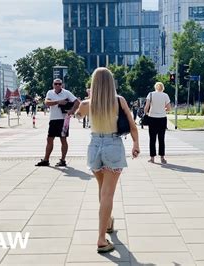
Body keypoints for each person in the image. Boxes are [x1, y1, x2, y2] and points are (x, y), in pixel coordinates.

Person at [76, 67, 140, 253]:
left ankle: (108, 221)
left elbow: (78, 116)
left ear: (94, 83)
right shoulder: (119, 101)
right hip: (113, 145)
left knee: (102, 190)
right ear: (111, 83)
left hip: (94, 145)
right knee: (108, 194)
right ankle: (101, 239)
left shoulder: (87, 103)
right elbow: (131, 124)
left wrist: (82, 106)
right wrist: (135, 144)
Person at [35, 79, 80, 167]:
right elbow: (47, 103)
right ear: (53, 85)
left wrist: (72, 110)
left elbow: (77, 102)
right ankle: (46, 159)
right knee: (49, 139)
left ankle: (63, 160)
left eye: (59, 84)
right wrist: (58, 102)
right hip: (53, 119)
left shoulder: (66, 93)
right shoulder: (50, 93)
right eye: (56, 84)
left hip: (63, 120)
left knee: (63, 139)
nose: (58, 85)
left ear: (62, 85)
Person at [144, 82, 171, 164]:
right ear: (162, 88)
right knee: (161, 139)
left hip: (152, 118)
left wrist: (146, 113)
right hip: (162, 118)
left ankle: (152, 158)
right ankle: (162, 158)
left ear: (155, 87)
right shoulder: (165, 95)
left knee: (152, 139)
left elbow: (146, 106)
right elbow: (169, 108)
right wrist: (163, 109)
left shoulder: (150, 94)